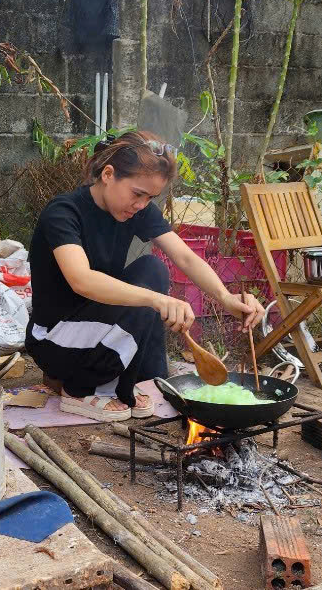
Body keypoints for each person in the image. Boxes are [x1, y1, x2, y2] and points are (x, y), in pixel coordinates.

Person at [26, 130, 266, 423]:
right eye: (137, 193)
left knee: (152, 268)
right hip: (55, 336)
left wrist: (226, 297)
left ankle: (139, 380)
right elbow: (82, 280)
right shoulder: (64, 212)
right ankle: (78, 389)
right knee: (143, 300)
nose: (141, 204)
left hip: (97, 324)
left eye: (150, 197)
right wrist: (156, 300)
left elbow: (185, 257)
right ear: (108, 174)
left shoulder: (136, 210)